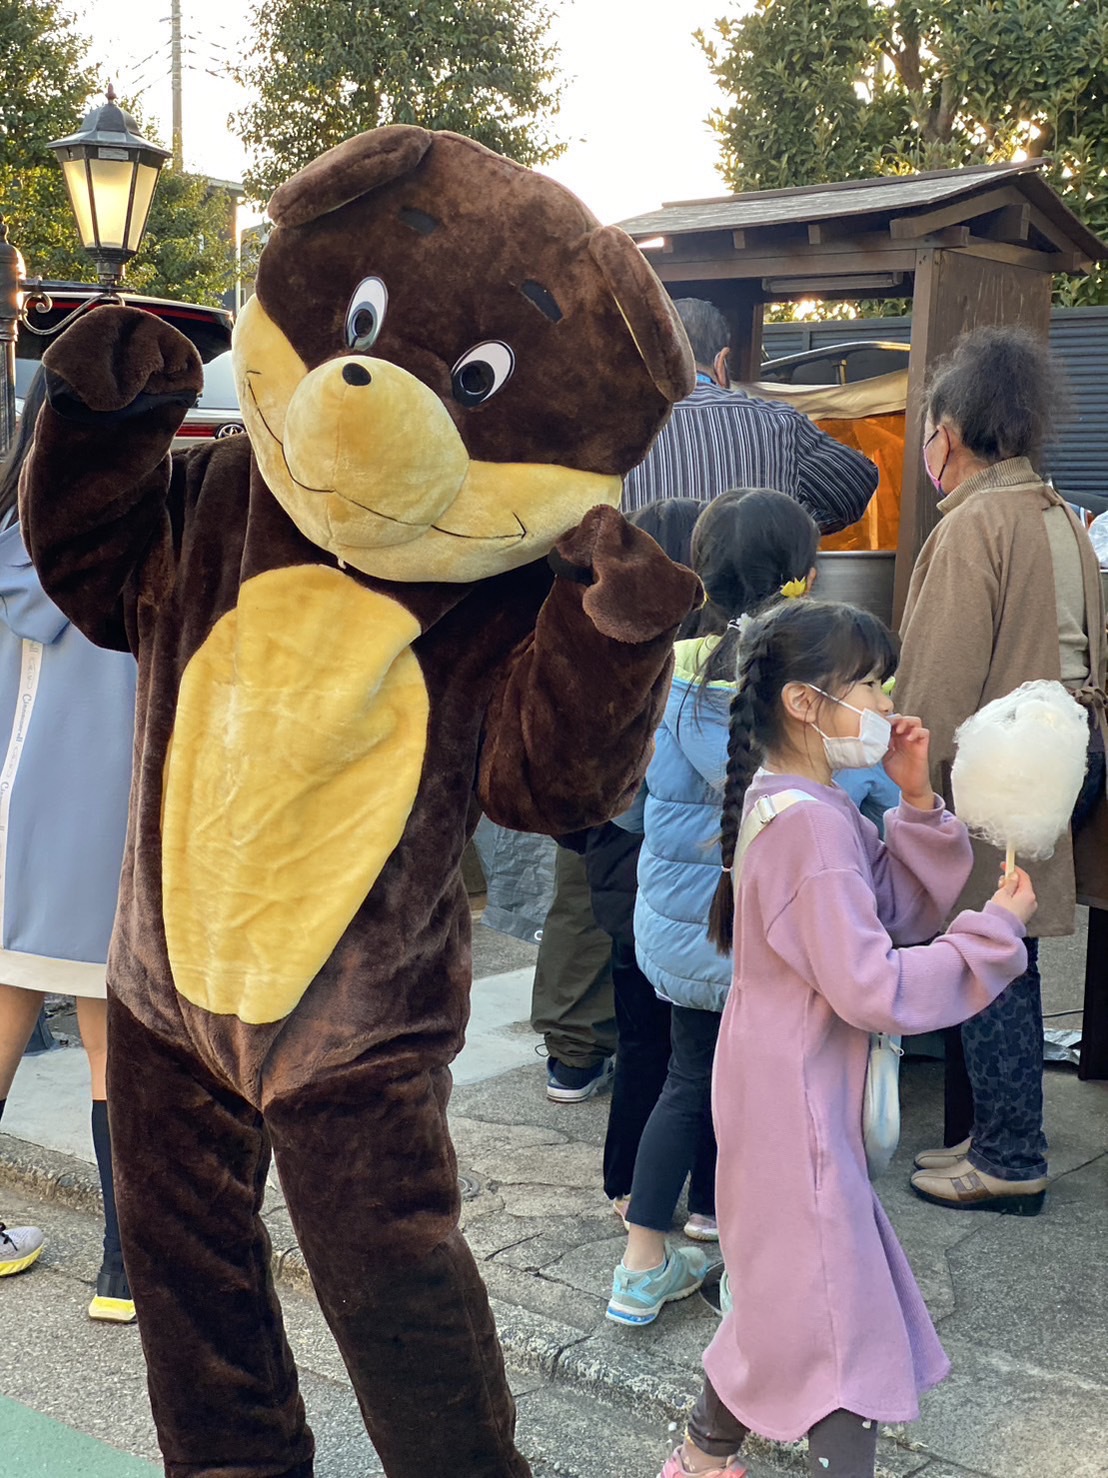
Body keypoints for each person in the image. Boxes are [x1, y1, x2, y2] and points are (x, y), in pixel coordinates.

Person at [658, 598, 1035, 1478]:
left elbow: (883, 914)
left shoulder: (788, 802)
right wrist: (993, 936)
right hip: (799, 1100)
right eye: (866, 682)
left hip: (775, 1086)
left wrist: (916, 798)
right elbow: (872, 982)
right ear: (804, 702)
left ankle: (701, 1461)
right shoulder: (814, 825)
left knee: (789, 1294)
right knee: (841, 1322)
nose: (883, 700)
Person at [895, 325, 1107, 1213]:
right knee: (1010, 944)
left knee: (989, 951)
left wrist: (909, 772)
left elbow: (935, 682)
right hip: (1072, 752)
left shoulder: (976, 524)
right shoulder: (1059, 513)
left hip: (1005, 766)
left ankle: (1010, 1157)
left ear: (949, 434)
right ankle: (994, 1137)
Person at [607, 488, 820, 1326]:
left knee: (685, 1082)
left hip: (682, 934)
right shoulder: (811, 681)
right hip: (770, 937)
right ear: (803, 575)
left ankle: (639, 1270)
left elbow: (629, 813)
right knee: (771, 1102)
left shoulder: (666, 672)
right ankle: (747, 1277)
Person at [0, 370, 137, 1318]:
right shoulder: (135, 543)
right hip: (103, 824)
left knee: (4, 1021)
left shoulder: (7, 535)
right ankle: (125, 1273)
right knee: (109, 1052)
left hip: (9, 816)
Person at [586, 499, 706, 1203]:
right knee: (696, 1054)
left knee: (641, 1043)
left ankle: (627, 1183)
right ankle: (702, 1197)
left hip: (619, 874)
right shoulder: (712, 671)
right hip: (679, 887)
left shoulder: (613, 655)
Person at [622, 298, 879, 535]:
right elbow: (856, 486)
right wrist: (793, 522)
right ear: (721, 362)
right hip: (754, 571)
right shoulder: (780, 423)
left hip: (641, 571)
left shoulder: (614, 431)